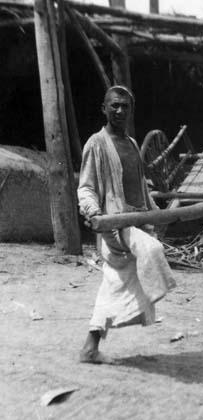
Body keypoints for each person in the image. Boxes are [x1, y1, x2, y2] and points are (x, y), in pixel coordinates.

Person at [77, 85, 176, 364]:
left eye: (125, 106)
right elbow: (85, 187)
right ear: (104, 108)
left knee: (114, 284)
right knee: (152, 251)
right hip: (116, 223)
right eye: (114, 105)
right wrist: (95, 213)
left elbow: (140, 187)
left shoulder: (132, 143)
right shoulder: (96, 144)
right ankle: (154, 294)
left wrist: (156, 213)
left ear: (131, 111)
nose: (119, 110)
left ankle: (90, 347)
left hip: (139, 218)